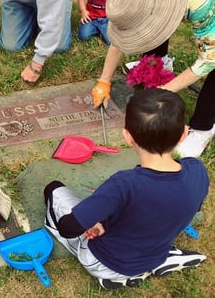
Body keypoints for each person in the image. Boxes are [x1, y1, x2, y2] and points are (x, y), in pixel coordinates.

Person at [44, 88, 209, 289]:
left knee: (53, 190)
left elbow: (68, 228)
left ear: (127, 136)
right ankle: (163, 259)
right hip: (156, 252)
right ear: (184, 133)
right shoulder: (197, 170)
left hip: (104, 262)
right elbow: (182, 208)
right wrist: (106, 219)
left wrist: (97, 220)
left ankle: (114, 276)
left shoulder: (123, 185)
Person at [91, 0, 215, 157]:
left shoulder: (201, 0)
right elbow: (127, 29)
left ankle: (204, 127)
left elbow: (208, 60)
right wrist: (104, 81)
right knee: (150, 25)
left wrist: (162, 92)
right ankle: (158, 66)